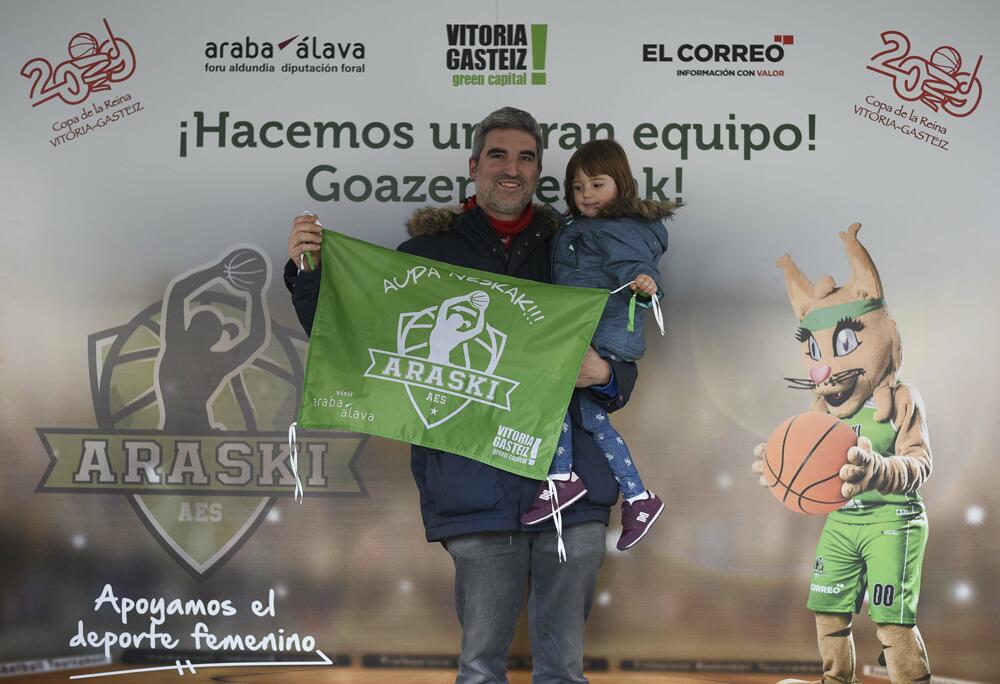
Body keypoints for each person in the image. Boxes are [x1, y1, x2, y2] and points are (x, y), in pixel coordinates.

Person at [284, 107, 638, 684]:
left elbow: (626, 345)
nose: (511, 168)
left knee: (564, 673)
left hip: (570, 493)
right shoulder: (427, 256)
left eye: (526, 157)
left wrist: (609, 374)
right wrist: (312, 272)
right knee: (480, 668)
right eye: (498, 154)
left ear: (539, 173)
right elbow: (352, 337)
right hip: (476, 488)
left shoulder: (577, 251)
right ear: (473, 166)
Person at [519, 140, 673, 552]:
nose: (586, 195)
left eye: (597, 185)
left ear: (621, 185)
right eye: (578, 186)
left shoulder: (619, 228)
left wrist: (644, 283)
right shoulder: (577, 225)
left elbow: (635, 265)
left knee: (552, 400)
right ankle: (639, 497)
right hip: (584, 331)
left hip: (599, 335)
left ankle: (563, 477)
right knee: (590, 417)